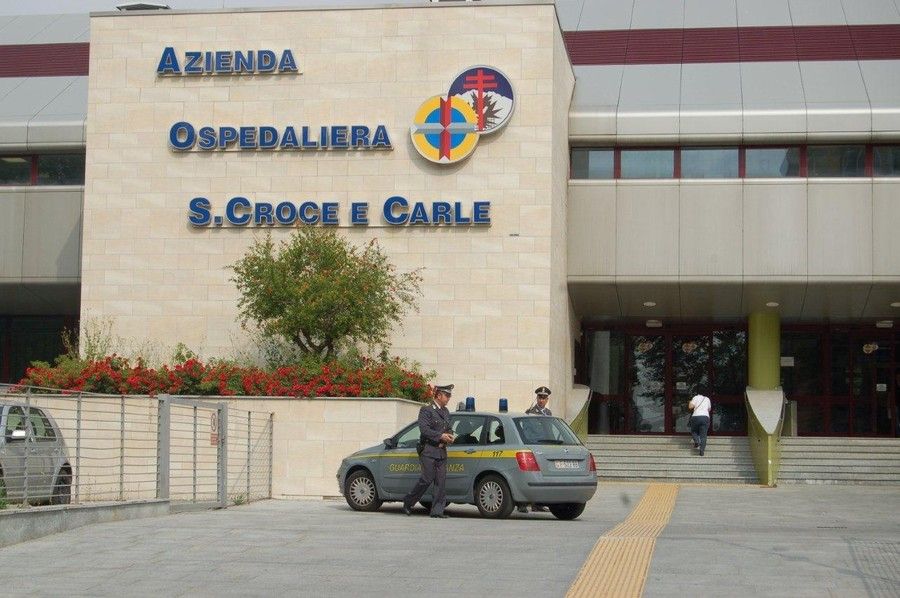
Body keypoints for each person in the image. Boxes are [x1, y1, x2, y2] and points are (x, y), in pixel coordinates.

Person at [402, 383, 455, 518]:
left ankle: (437, 511)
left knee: (440, 482)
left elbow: (448, 428)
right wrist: (440, 436)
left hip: (441, 452)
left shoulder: (446, 411)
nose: (449, 398)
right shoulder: (426, 410)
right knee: (427, 479)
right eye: (447, 395)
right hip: (429, 450)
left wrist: (450, 435)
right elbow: (424, 430)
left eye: (449, 396)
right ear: (439, 395)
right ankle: (408, 501)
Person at [520, 386, 552, 513]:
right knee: (529, 477)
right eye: (540, 397)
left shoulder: (548, 413)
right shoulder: (530, 412)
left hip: (545, 448)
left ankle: (538, 504)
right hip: (534, 448)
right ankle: (522, 504)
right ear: (537, 398)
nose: (541, 400)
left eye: (544, 398)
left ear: (547, 399)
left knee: (542, 478)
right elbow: (527, 432)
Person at [688, 387, 712, 456]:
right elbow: (709, 409)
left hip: (696, 417)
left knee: (694, 431)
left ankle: (696, 441)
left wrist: (690, 402)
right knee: (703, 436)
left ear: (697, 392)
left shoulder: (695, 397)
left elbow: (690, 407)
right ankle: (702, 451)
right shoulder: (707, 399)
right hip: (705, 417)